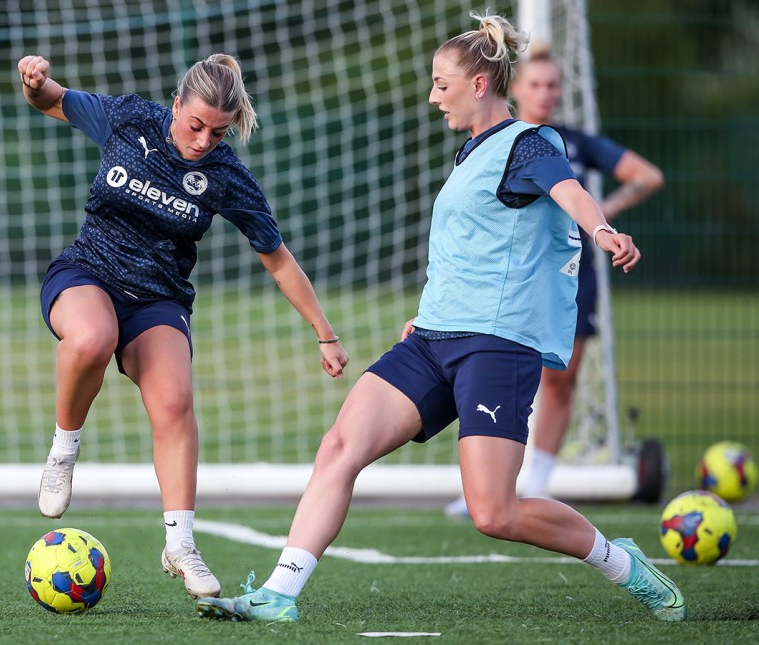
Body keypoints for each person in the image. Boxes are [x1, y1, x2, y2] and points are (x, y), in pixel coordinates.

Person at [195, 12, 685, 623]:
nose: (432, 96)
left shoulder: (528, 143)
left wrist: (604, 230)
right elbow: (472, 249)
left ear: (479, 85)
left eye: (441, 84)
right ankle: (280, 595)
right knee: (339, 446)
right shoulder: (470, 151)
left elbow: (569, 190)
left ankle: (619, 560)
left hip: (496, 345)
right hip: (431, 339)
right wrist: (428, 314)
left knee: (493, 513)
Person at [17, 53, 349, 600]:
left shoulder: (226, 176)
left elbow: (278, 258)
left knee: (173, 402)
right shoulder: (130, 119)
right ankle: (64, 449)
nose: (203, 140)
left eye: (217, 132)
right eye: (195, 125)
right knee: (93, 338)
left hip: (158, 298)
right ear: (175, 105)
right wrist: (33, 80)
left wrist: (325, 332)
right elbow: (50, 99)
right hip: (88, 271)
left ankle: (181, 543)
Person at [444, 42, 664, 516]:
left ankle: (537, 484)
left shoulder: (570, 144)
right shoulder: (497, 144)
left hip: (567, 279)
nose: (545, 92)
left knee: (559, 379)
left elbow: (645, 175)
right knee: (488, 373)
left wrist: (605, 221)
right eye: (535, 83)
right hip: (507, 288)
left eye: (552, 84)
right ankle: (488, 485)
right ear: (514, 87)